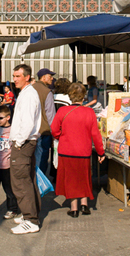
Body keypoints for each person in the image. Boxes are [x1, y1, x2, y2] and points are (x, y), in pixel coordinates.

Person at [51, 82, 105, 218]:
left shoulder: (62, 111)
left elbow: (54, 129)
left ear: (70, 96)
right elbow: (96, 134)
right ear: (84, 97)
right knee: (84, 177)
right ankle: (84, 204)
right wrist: (100, 152)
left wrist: (61, 137)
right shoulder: (90, 112)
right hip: (84, 151)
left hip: (66, 150)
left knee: (70, 179)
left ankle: (74, 208)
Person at [8, 64, 42, 235]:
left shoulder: (29, 95)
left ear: (27, 77)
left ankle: (31, 219)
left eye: (18, 76)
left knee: (20, 181)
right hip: (25, 141)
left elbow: (28, 122)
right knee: (27, 179)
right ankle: (30, 215)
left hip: (24, 142)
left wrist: (18, 142)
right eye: (14, 76)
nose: (14, 79)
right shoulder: (26, 93)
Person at [33, 68, 57, 176]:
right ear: (43, 77)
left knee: (33, 157)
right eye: (50, 76)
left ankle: (33, 181)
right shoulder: (47, 92)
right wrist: (54, 133)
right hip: (44, 131)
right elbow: (50, 115)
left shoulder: (30, 89)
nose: (52, 78)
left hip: (31, 130)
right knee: (42, 158)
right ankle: (40, 184)